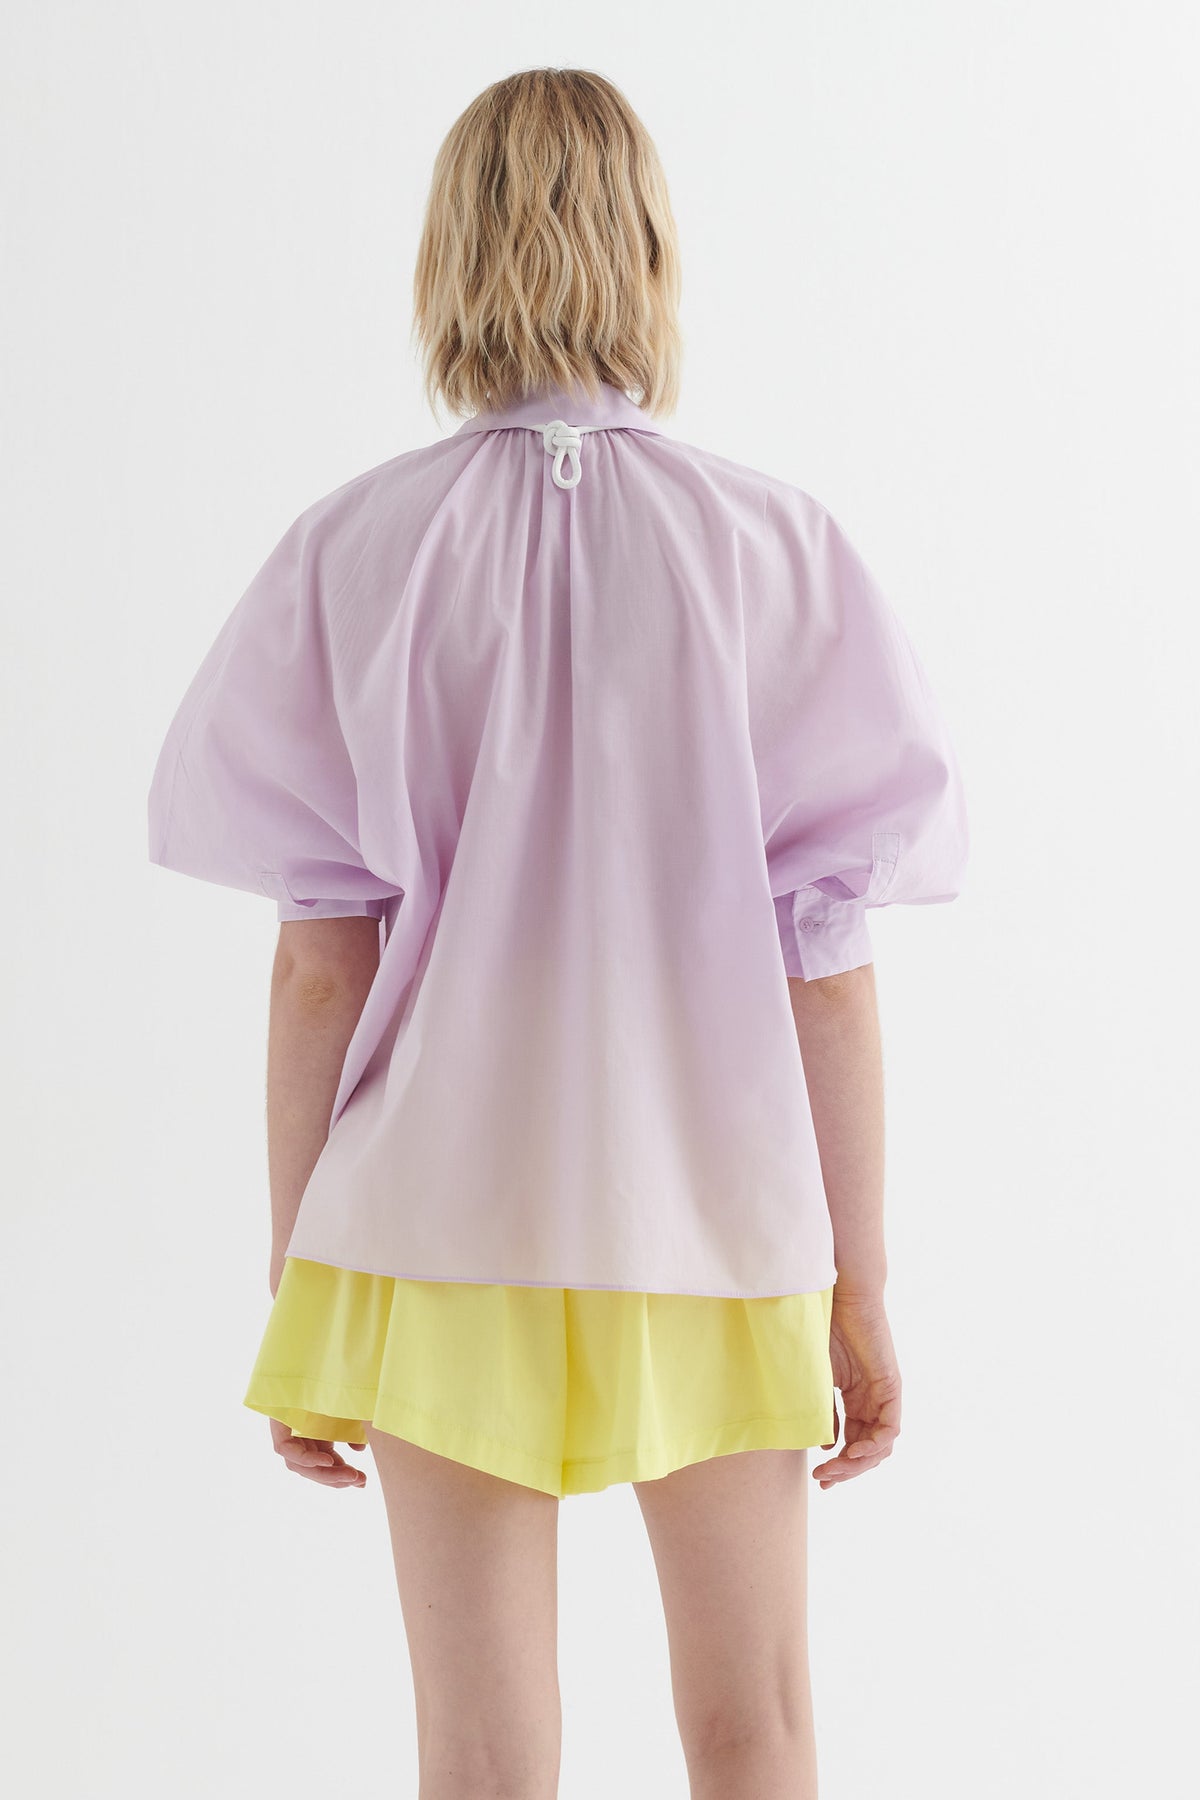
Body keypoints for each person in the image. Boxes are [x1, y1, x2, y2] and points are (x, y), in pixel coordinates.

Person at [147, 65, 968, 1800]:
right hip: (718, 1217)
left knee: (481, 1754)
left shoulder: (353, 554)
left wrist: (303, 1277)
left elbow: (317, 960)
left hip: (433, 1221)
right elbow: (826, 966)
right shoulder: (775, 549)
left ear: (448, 257)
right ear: (651, 253)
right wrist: (862, 1284)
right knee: (754, 1725)